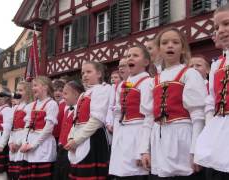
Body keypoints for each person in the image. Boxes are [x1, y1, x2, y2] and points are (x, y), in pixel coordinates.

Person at [140, 27, 207, 180]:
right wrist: (144, 149)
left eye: (175, 42)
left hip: (183, 136)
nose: (170, 45)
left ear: (182, 49)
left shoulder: (189, 74)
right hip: (159, 138)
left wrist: (195, 148)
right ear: (159, 49)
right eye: (165, 43)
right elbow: (148, 119)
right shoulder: (153, 81)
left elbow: (197, 115)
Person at [194, 2, 229, 180]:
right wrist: (211, 131)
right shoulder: (218, 64)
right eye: (217, 27)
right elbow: (211, 101)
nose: (220, 30)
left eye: (227, 23)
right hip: (222, 133)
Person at [109, 44, 155, 179]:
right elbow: (118, 111)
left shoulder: (148, 82)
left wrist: (143, 150)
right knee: (121, 173)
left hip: (138, 132)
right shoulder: (125, 84)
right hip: (123, 133)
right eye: (128, 55)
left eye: (135, 55)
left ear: (146, 62)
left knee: (135, 173)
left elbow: (149, 116)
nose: (130, 58)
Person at [65, 61, 111, 179]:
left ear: (99, 74)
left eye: (89, 72)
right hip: (80, 139)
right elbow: (75, 121)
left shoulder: (102, 89)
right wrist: (71, 138)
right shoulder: (83, 95)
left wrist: (76, 140)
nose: (85, 75)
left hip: (94, 138)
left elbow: (96, 120)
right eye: (83, 73)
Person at [19, 76, 58, 180]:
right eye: (32, 86)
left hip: (42, 147)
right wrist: (24, 143)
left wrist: (34, 145)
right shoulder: (31, 105)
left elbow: (48, 128)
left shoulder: (51, 104)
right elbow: (26, 127)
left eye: (35, 85)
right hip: (29, 146)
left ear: (45, 87)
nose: (32, 88)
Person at [53, 80, 84, 180]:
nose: (63, 95)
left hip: (71, 148)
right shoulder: (67, 109)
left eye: (65, 93)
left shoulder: (80, 109)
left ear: (75, 95)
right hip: (62, 147)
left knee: (67, 174)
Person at [8, 82, 31, 180]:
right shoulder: (15, 108)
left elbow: (27, 127)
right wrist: (10, 142)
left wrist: (18, 143)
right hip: (14, 139)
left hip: (22, 140)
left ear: (28, 92)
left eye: (21, 90)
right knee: (13, 174)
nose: (18, 92)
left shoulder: (29, 106)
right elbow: (11, 127)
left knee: (21, 172)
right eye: (17, 90)